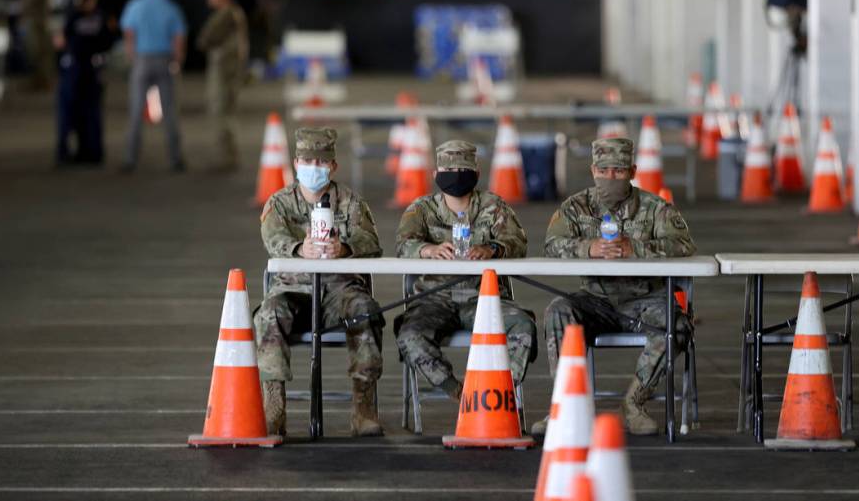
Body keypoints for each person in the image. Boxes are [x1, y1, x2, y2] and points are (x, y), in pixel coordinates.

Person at [538, 137, 696, 435]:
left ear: (633, 170)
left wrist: (635, 248)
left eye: (619, 171)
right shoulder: (575, 207)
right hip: (595, 299)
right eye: (605, 170)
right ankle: (566, 406)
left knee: (676, 324)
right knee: (558, 311)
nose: (611, 177)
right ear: (593, 170)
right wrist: (588, 248)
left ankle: (633, 404)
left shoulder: (654, 208)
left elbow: (683, 245)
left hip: (646, 299)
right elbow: (551, 245)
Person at [256, 127, 385, 437]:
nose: (313, 167)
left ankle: (363, 405)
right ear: (296, 162)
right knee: (269, 312)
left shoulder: (351, 202)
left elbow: (371, 241)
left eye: (320, 162)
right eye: (306, 160)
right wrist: (300, 248)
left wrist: (346, 248)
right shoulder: (281, 203)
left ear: (332, 167)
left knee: (365, 310)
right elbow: (273, 237)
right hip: (294, 291)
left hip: (340, 292)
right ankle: (274, 404)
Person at [395, 140, 536, 401]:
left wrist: (492, 248)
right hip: (434, 298)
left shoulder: (493, 207)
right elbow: (403, 245)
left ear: (477, 175)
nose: (457, 177)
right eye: (450, 171)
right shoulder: (421, 210)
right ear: (436, 175)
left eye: (464, 170)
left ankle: (502, 393)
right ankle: (461, 393)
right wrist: (428, 250)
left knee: (523, 326)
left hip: (484, 297)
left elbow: (517, 243)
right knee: (410, 334)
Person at [119, 0, 187, 172]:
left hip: (142, 59)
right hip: (164, 60)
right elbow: (179, 37)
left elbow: (129, 33)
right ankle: (176, 159)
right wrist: (177, 60)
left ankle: (130, 159)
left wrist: (132, 56)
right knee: (169, 111)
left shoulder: (135, 5)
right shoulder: (171, 8)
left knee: (136, 111)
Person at [55, 0, 115, 165]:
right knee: (92, 113)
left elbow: (60, 41)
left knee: (68, 113)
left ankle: (64, 154)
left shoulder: (72, 16)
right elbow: (109, 41)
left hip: (73, 69)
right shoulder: (102, 17)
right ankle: (92, 153)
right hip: (92, 69)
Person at [196, 0, 247, 171]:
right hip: (229, 72)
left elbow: (205, 39)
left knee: (222, 113)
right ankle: (227, 156)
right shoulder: (234, 13)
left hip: (224, 73)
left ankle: (227, 158)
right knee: (226, 113)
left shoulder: (226, 14)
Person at [20, 0, 55, 91]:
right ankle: (36, 82)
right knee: (33, 53)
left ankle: (43, 82)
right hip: (32, 20)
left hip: (38, 21)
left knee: (40, 53)